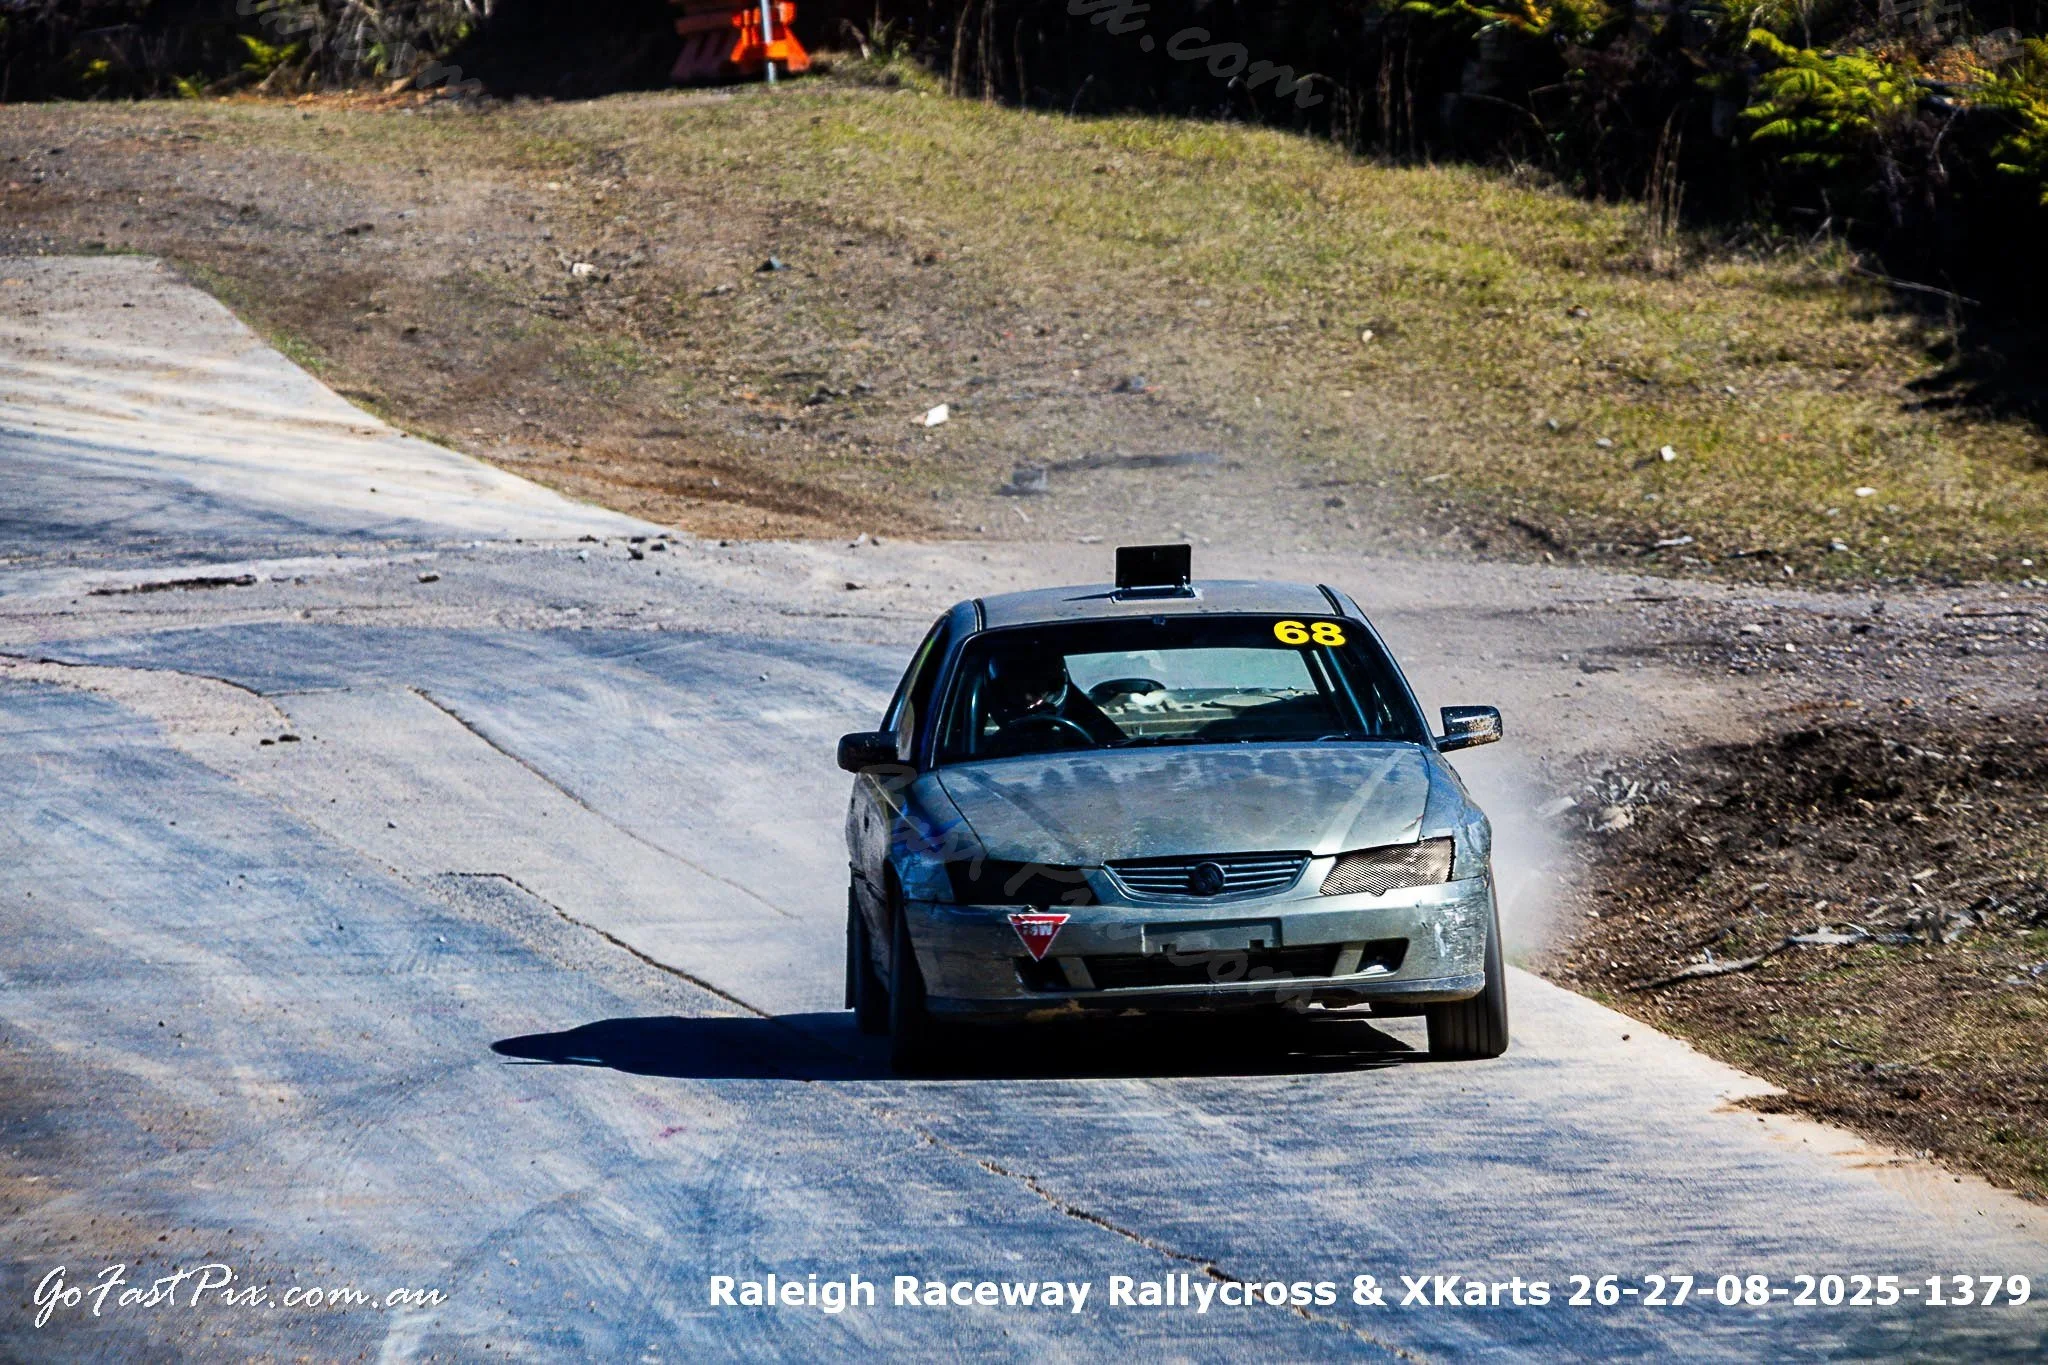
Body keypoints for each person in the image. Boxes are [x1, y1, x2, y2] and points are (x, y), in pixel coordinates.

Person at [978, 648, 1121, 757]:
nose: (1032, 702)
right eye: (1016, 692)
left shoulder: (1083, 745)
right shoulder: (986, 753)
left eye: (1040, 689)